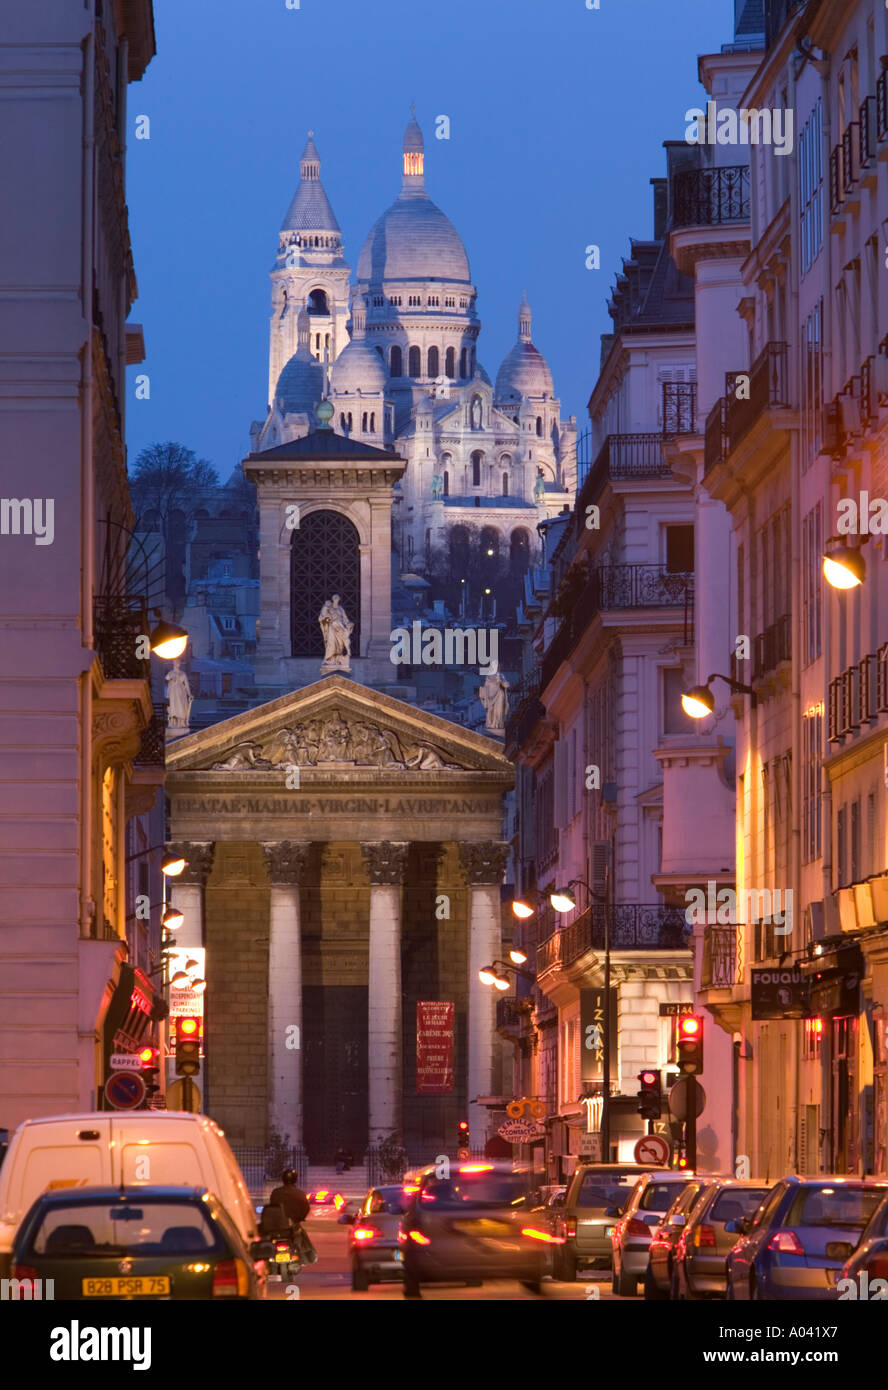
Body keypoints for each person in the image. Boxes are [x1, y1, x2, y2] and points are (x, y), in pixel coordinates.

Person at [266, 1169, 317, 1263]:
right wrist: (300, 1218)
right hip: (292, 1225)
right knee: (303, 1237)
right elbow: (306, 1208)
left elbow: (272, 1205)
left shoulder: (276, 1192)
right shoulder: (300, 1194)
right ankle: (307, 1257)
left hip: (277, 1225)